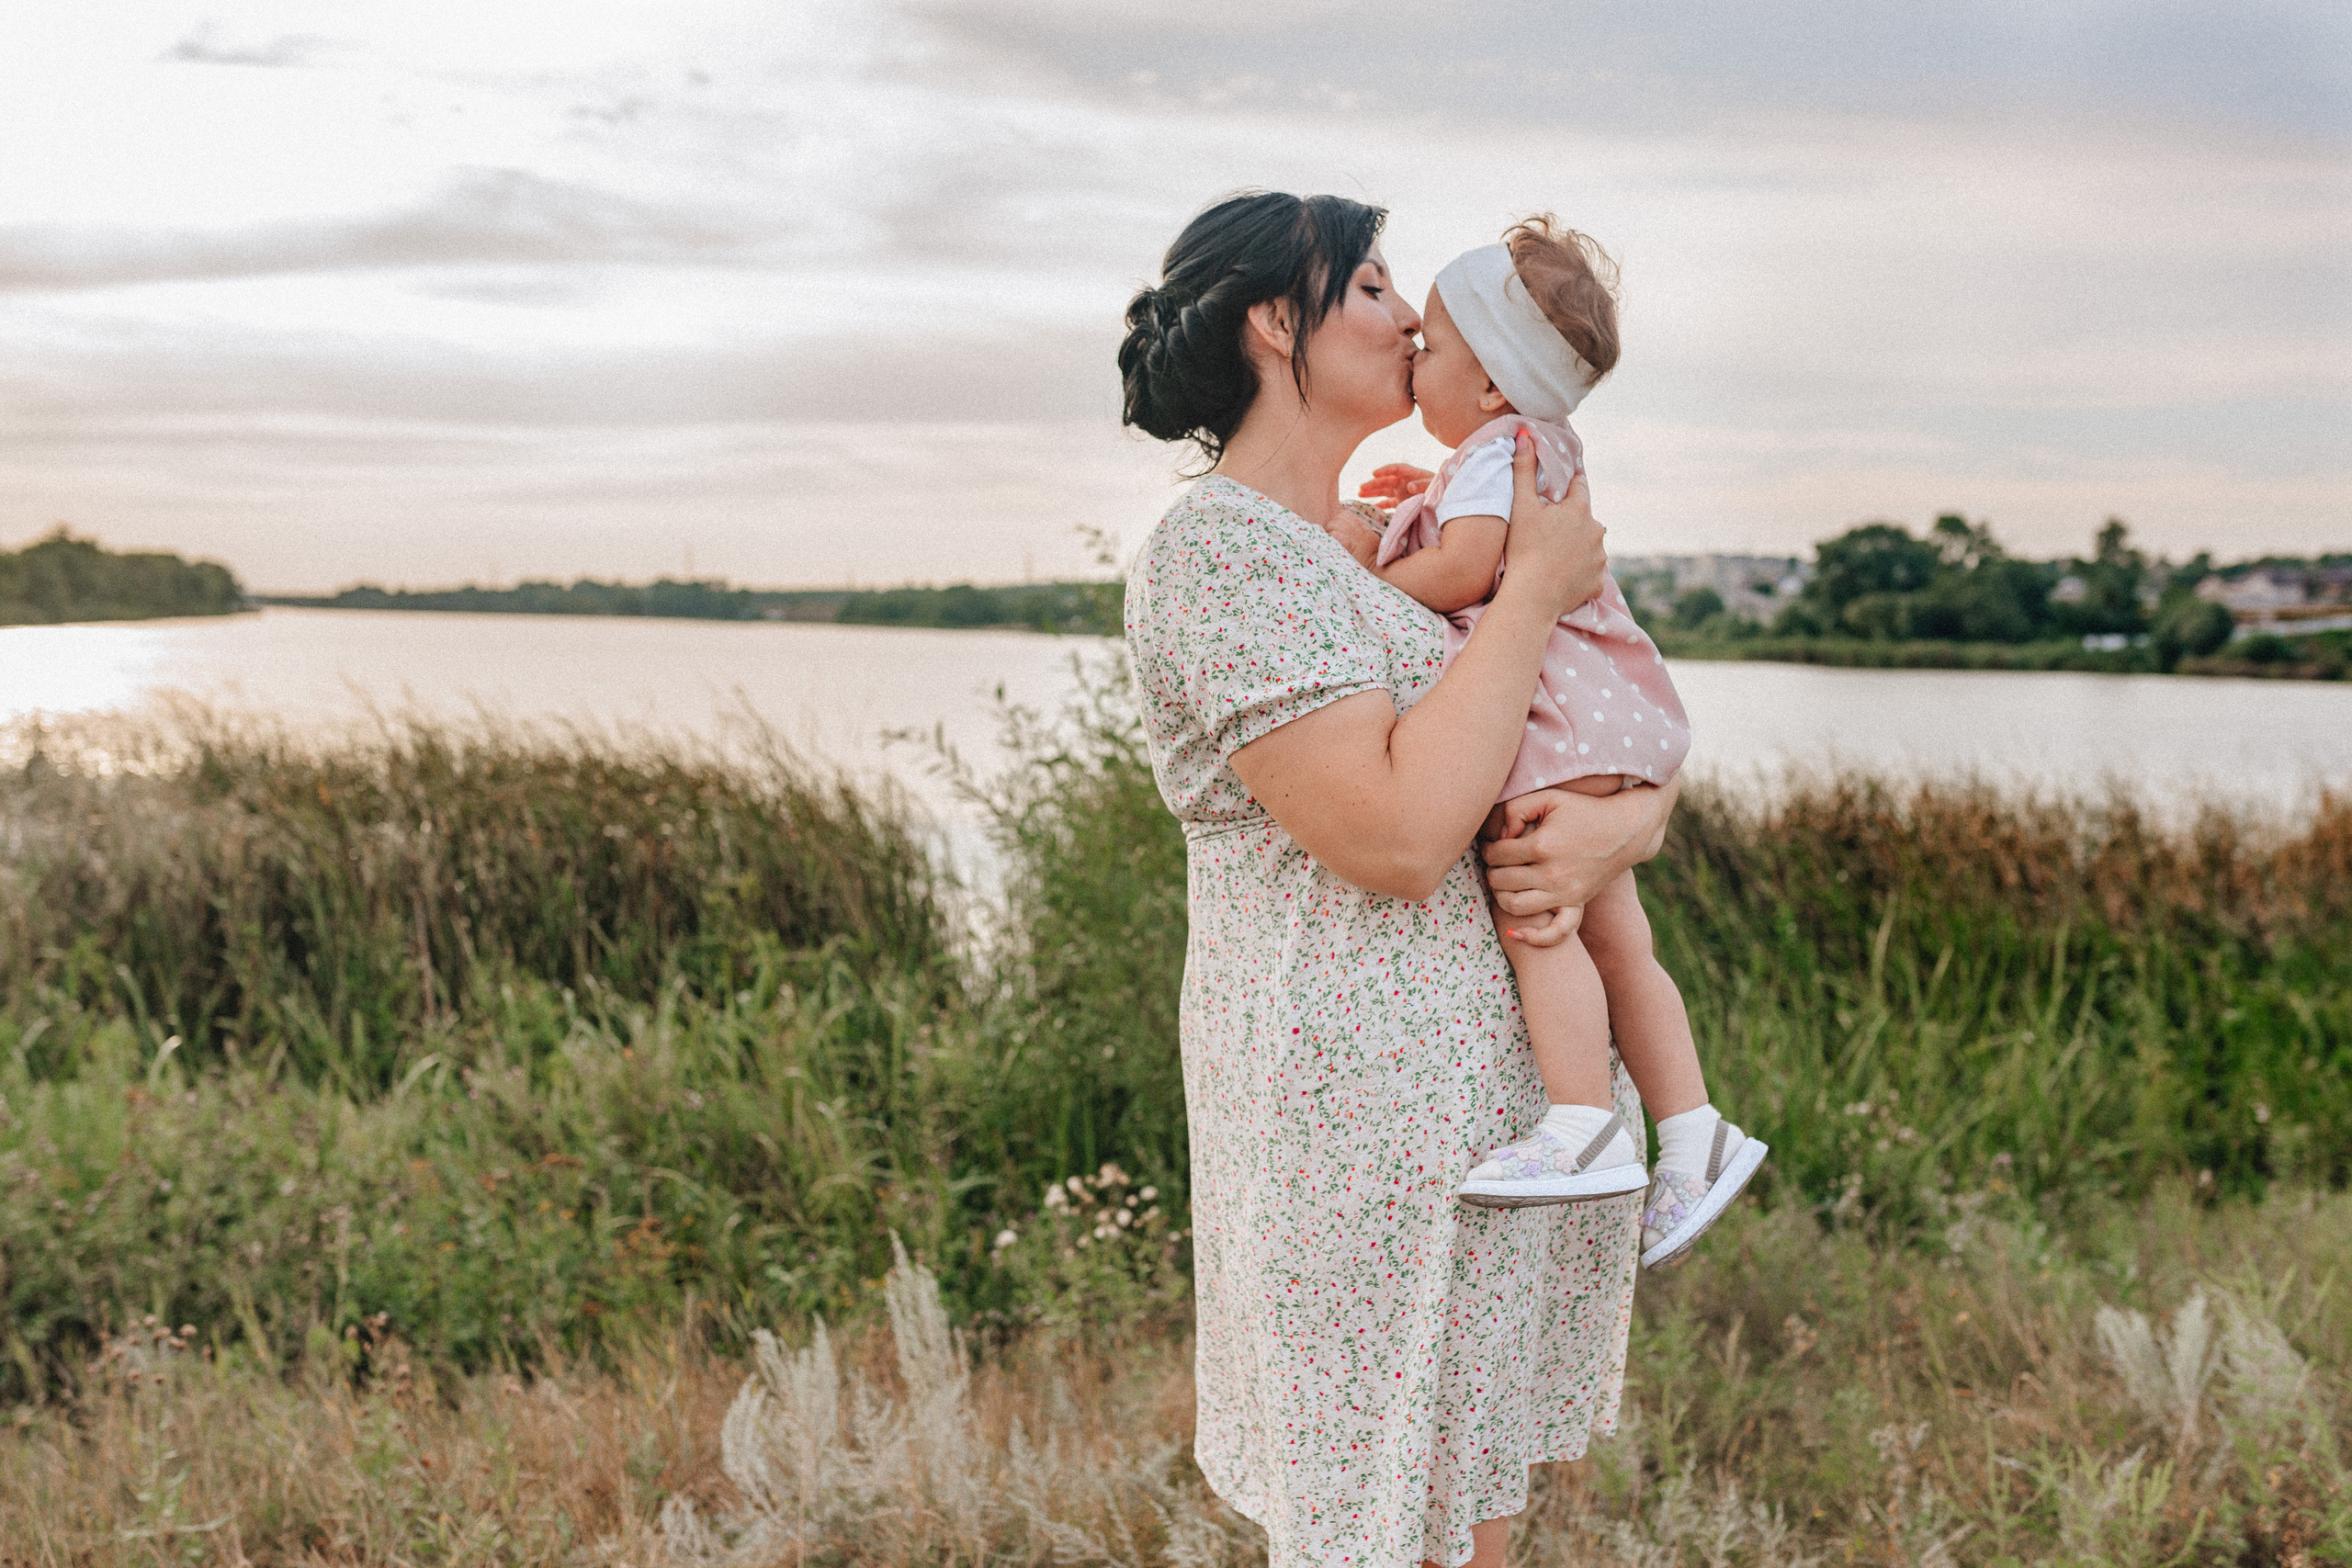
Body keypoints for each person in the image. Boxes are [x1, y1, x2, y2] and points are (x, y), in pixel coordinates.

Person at [1120, 189, 1679, 1568]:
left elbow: (1588, 733)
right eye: (1370, 286)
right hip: (1351, 1130)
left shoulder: (1389, 547)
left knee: (1464, 1528)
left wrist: (1627, 829)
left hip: (1487, 1135)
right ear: (1273, 322)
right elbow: (1395, 834)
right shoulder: (1222, 554)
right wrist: (1536, 587)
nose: (1410, 314)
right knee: (1371, 1525)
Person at [1329, 218, 1766, 1268]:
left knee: (1540, 926)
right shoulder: (1526, 446)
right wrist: (1421, 503)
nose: (1412, 354)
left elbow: (1471, 573)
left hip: (1553, 731)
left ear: (1488, 388)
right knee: (1621, 941)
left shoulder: (1497, 454)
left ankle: (1579, 1125)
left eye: (1429, 343)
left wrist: (1362, 576)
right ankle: (1695, 1131)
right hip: (1600, 721)